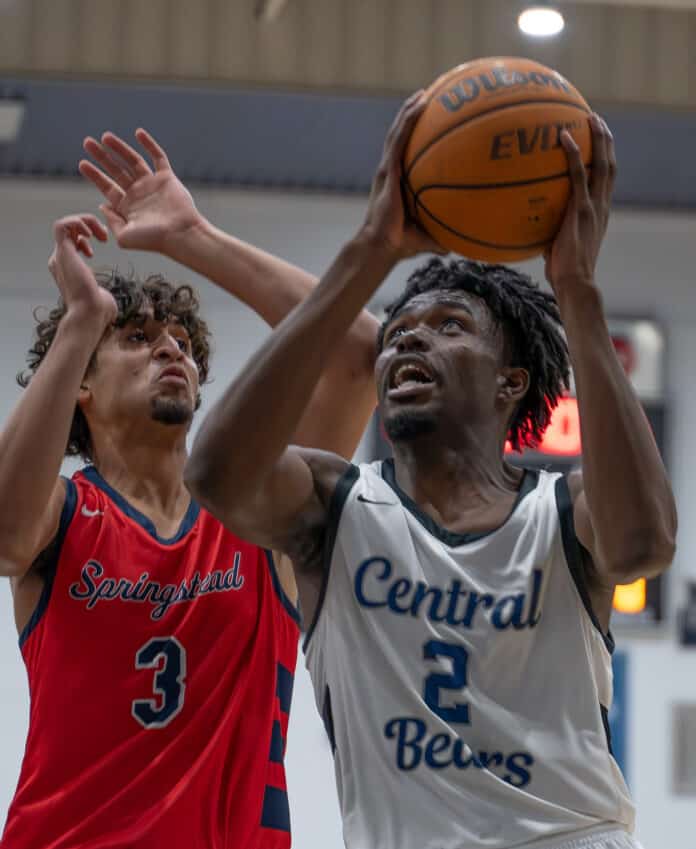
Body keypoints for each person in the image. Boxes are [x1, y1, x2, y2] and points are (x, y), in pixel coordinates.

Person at [185, 91, 677, 849]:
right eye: (399, 333)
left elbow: (644, 544)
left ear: (511, 381)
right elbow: (215, 472)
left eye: (449, 327)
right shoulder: (331, 505)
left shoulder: (564, 510)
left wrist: (577, 293)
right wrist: (367, 254)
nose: (409, 343)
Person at [0, 129, 379, 848]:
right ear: (79, 380)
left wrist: (193, 236)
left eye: (180, 340)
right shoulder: (62, 510)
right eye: (136, 338)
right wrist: (83, 319)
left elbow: (359, 358)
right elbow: (4, 534)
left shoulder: (258, 510)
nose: (170, 346)